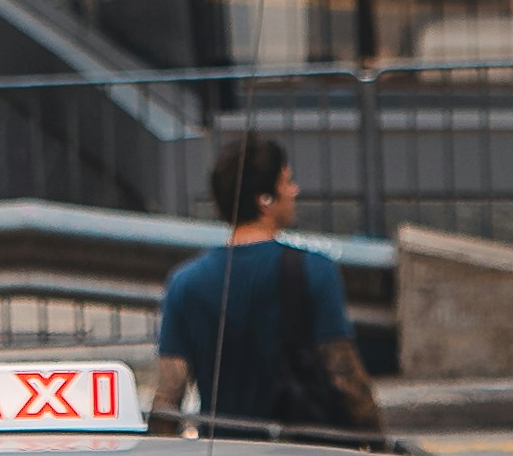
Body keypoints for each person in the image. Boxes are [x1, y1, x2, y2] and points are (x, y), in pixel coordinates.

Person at [147, 134, 379, 440]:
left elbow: (169, 394)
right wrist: (378, 440)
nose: (294, 190)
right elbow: (344, 375)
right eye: (287, 181)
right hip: (303, 452)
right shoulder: (314, 270)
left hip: (223, 454)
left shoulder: (185, 282)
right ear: (264, 199)